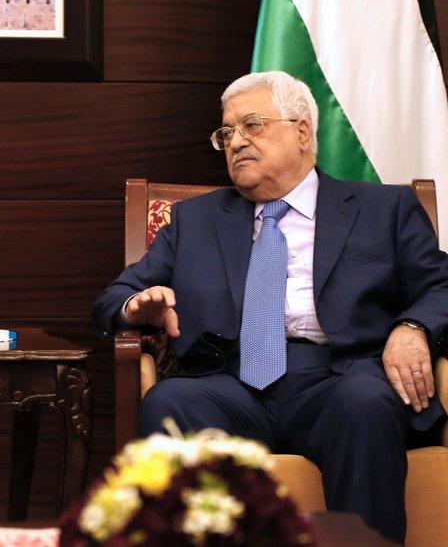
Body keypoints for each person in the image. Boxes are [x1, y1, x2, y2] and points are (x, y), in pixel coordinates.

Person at [93, 71, 448, 542]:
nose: (235, 142)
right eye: (226, 133)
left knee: (366, 403)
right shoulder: (194, 221)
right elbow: (112, 300)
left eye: (252, 125)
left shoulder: (385, 208)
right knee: (170, 401)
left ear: (302, 130)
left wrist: (411, 325)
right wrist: (138, 308)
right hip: (230, 383)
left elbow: (440, 285)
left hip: (338, 380)